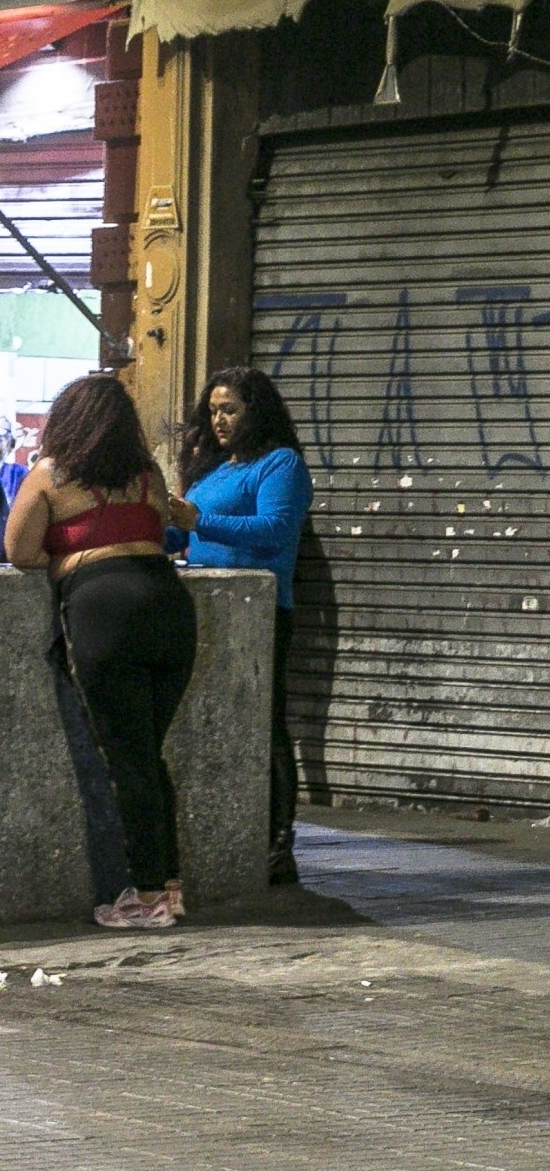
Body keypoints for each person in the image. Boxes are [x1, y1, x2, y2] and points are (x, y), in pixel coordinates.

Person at [3, 374, 195, 930]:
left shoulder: (50, 475)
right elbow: (159, 532)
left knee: (129, 760)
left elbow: (19, 551)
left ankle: (148, 897)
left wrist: (69, 558)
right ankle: (171, 884)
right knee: (148, 755)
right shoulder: (146, 474)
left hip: (104, 612)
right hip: (168, 607)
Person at [174, 367, 313, 886]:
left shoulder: (281, 464)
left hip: (261, 612)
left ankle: (278, 844)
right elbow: (183, 532)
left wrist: (195, 521)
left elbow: (275, 530)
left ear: (257, 410)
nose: (219, 420)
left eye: (229, 409)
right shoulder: (214, 470)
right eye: (212, 411)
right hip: (209, 608)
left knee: (267, 726)